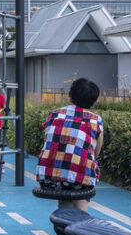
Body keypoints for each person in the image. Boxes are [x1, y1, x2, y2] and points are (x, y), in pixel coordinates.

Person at [36, 77, 105, 213]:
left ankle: (63, 218)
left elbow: (47, 141)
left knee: (64, 173)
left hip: (48, 178)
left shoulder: (54, 114)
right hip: (79, 180)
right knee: (83, 172)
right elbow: (95, 152)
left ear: (70, 96)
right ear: (93, 101)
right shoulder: (95, 120)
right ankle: (81, 217)